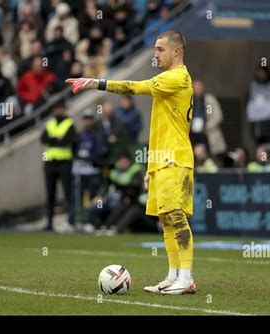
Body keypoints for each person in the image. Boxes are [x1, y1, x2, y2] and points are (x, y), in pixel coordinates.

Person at [66, 30, 196, 295]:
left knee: (176, 217)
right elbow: (159, 129)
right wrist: (150, 168)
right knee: (166, 220)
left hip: (175, 158)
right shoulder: (168, 80)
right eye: (155, 49)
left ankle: (187, 278)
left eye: (160, 49)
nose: (155, 54)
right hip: (160, 160)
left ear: (176, 52)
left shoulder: (177, 77)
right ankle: (173, 276)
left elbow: (135, 87)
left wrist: (95, 83)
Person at [40, 103, 79, 232]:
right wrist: (58, 139)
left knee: (68, 193)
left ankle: (70, 222)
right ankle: (49, 223)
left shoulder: (69, 123)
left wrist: (53, 140)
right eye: (56, 108)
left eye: (59, 108)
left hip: (64, 162)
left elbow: (70, 139)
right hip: (50, 162)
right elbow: (43, 138)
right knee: (50, 194)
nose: (57, 110)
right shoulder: (50, 123)